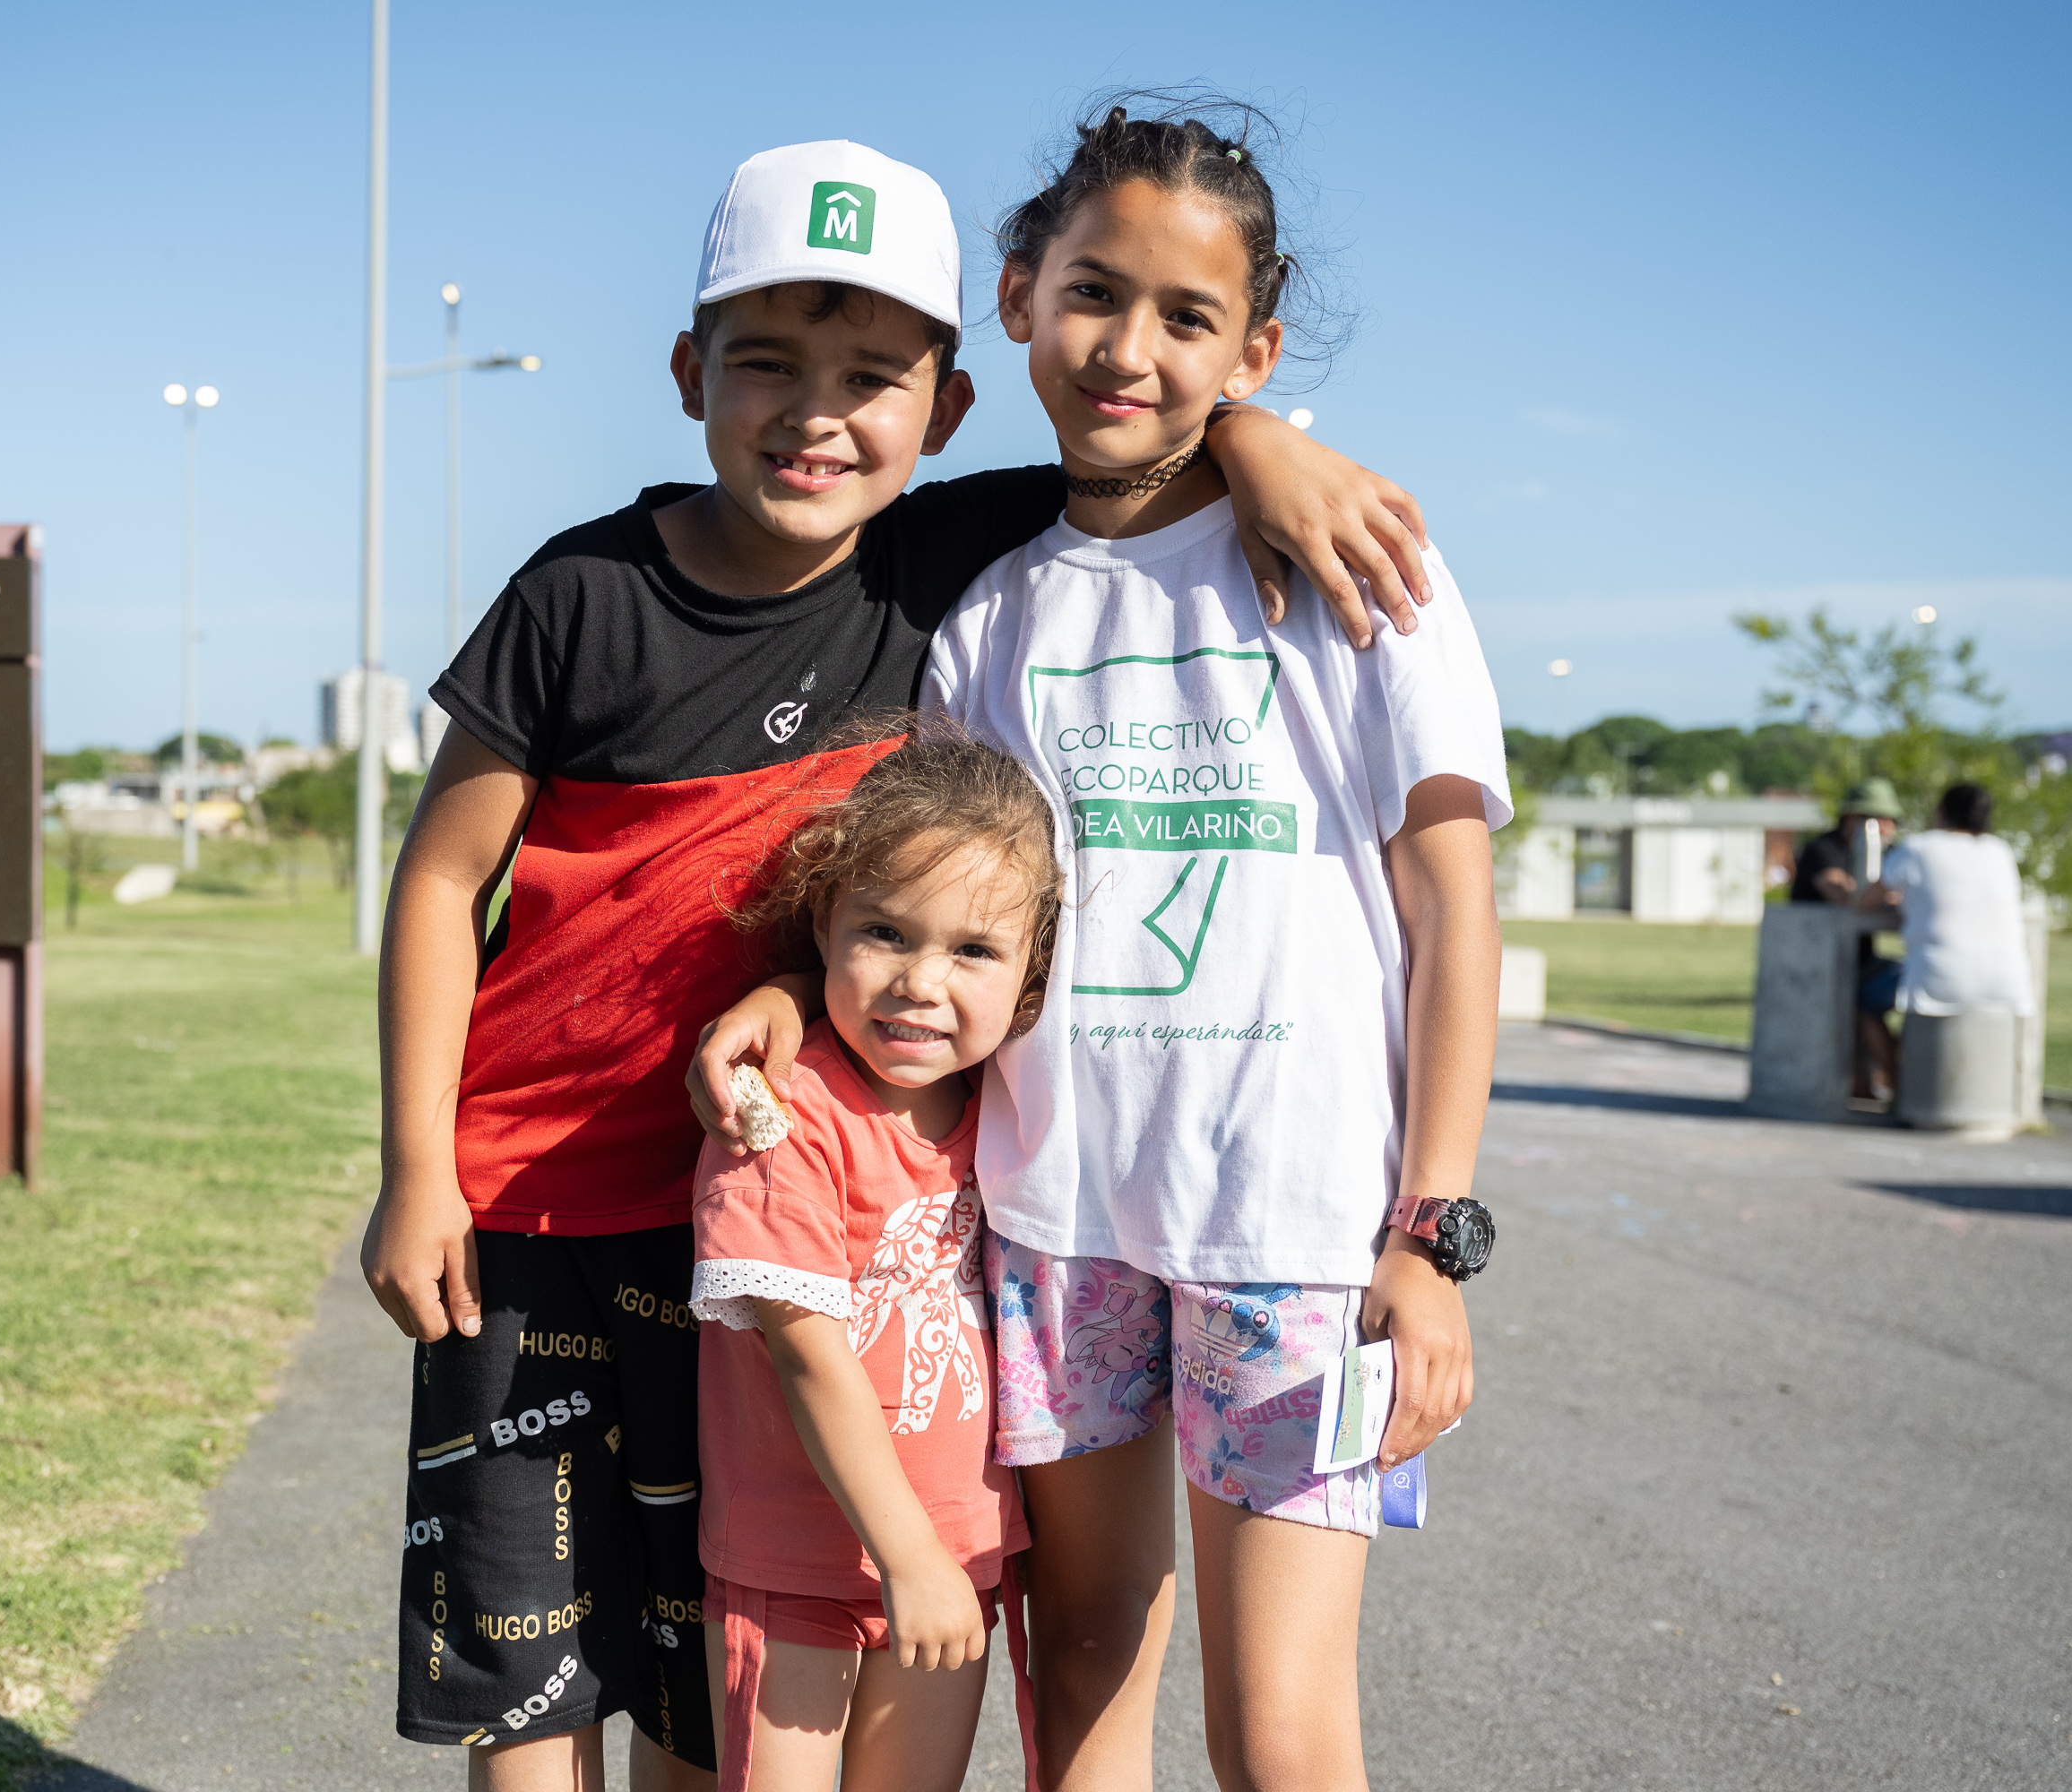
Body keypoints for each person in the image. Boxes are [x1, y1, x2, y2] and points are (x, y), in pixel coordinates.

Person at [362, 134, 1443, 1791]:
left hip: (721, 1194)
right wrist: (415, 1171)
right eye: (767, 365)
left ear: (944, 406)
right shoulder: (579, 591)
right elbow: (443, 882)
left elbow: (1145, 431)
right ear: (687, 374)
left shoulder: (933, 564)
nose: (817, 415)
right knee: (530, 1677)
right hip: (516, 1205)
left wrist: (1264, 441)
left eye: (874, 377)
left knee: (690, 1662)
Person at [691, 99, 1508, 1790]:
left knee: (1281, 1735)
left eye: (1188, 318)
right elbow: (940, 892)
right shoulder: (992, 608)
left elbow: (1453, 907)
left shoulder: (1361, 567)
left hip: (1292, 1229)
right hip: (1057, 1221)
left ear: (1254, 346)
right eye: (1093, 293)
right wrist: (787, 983)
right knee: (1078, 1680)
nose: (1128, 346)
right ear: (1016, 295)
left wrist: (1431, 1228)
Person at [687, 723, 1059, 1792]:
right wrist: (907, 1556)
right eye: (887, 931)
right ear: (825, 922)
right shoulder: (777, 1115)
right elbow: (806, 1352)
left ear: (1031, 971)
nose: (921, 982)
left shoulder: (1010, 1107)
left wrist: (942, 1561)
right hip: (799, 1557)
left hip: (961, 1551)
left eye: (974, 949)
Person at [1791, 776, 1906, 1098]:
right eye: (1876, 819)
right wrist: (1882, 895)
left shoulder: (1892, 854)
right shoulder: (1824, 848)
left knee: (1905, 989)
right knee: (1861, 999)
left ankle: (1890, 1080)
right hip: (1817, 962)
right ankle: (1889, 1083)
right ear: (1851, 818)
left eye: (1889, 820)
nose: (1885, 827)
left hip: (1860, 959)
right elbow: (1840, 891)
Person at [1881, 781, 2034, 1021]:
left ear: (1941, 810)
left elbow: (1866, 898)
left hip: (1937, 979)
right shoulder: (2001, 851)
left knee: (1867, 996)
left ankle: (1890, 1059)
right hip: (2008, 983)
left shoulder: (1919, 847)